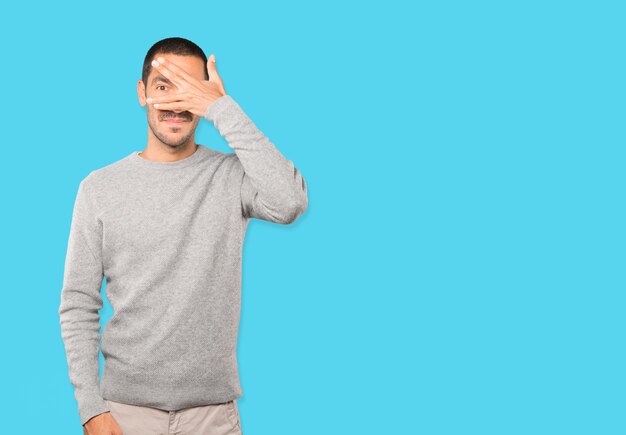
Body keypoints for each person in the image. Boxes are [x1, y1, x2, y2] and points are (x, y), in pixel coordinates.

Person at [58, 36, 308, 435]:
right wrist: (91, 408)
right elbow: (77, 303)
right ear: (142, 93)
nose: (176, 104)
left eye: (190, 90)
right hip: (124, 415)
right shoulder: (99, 188)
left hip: (213, 417)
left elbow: (290, 201)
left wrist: (221, 108)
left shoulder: (231, 177)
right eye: (163, 87)